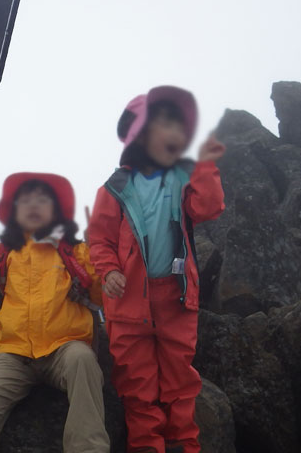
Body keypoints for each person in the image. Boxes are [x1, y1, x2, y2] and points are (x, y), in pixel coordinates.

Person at [86, 86, 226, 453]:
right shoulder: (114, 188)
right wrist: (109, 270)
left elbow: (209, 207)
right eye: (166, 124)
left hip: (176, 298)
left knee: (180, 380)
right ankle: (148, 447)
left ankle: (183, 446)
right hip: (127, 303)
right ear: (142, 133)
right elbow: (98, 239)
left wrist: (206, 164)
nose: (177, 133)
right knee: (137, 385)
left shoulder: (183, 179)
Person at [0, 172, 110, 453]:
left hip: (66, 348)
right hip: (14, 355)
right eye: (25, 201)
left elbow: (101, 296)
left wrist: (97, 250)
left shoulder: (75, 251)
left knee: (82, 361)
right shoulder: (0, 253)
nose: (33, 206)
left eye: (42, 200)